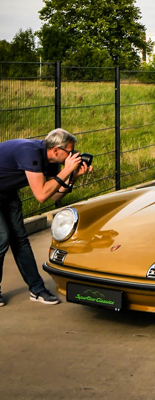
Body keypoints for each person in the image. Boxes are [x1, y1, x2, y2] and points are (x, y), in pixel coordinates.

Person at [0, 128, 91, 307]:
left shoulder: (52, 161)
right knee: (2, 238)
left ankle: (37, 289)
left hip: (7, 192)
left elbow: (54, 196)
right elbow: (41, 195)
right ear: (56, 150)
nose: (72, 156)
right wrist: (65, 172)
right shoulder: (30, 153)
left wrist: (72, 177)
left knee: (20, 239)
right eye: (70, 152)